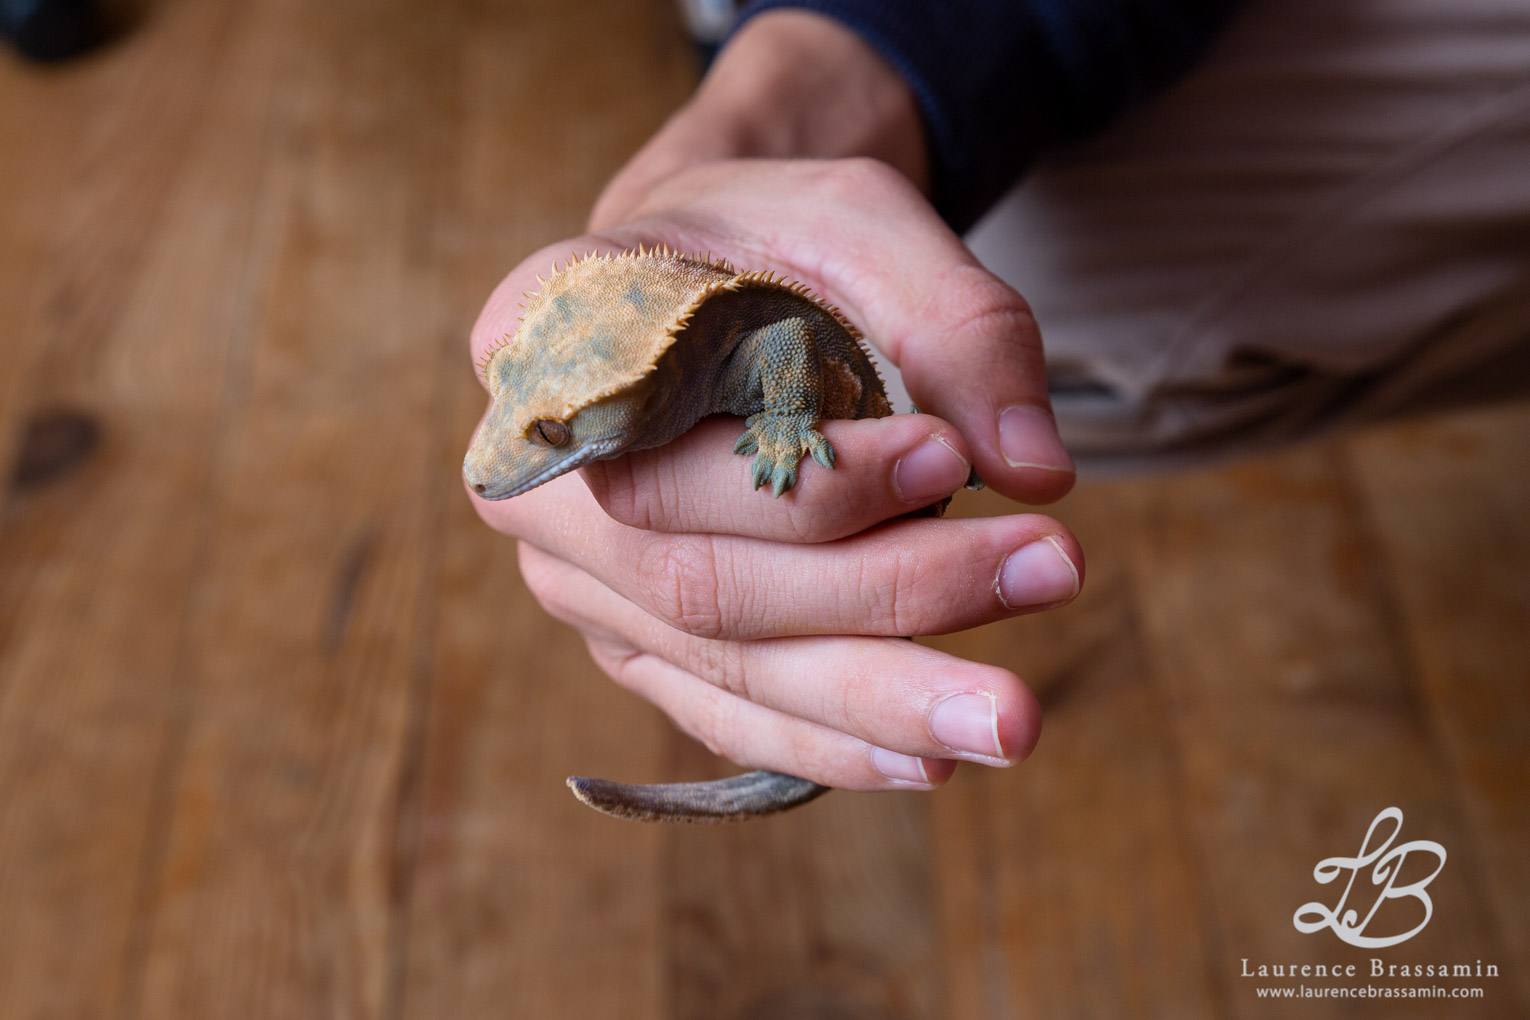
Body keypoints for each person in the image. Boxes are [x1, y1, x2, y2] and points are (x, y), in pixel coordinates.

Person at [466, 2, 1530, 794]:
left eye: (557, 423)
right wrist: (728, 132)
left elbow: (781, 341)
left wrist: (848, 68)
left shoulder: (727, 360)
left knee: (1033, 303)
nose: (485, 464)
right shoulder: (627, 366)